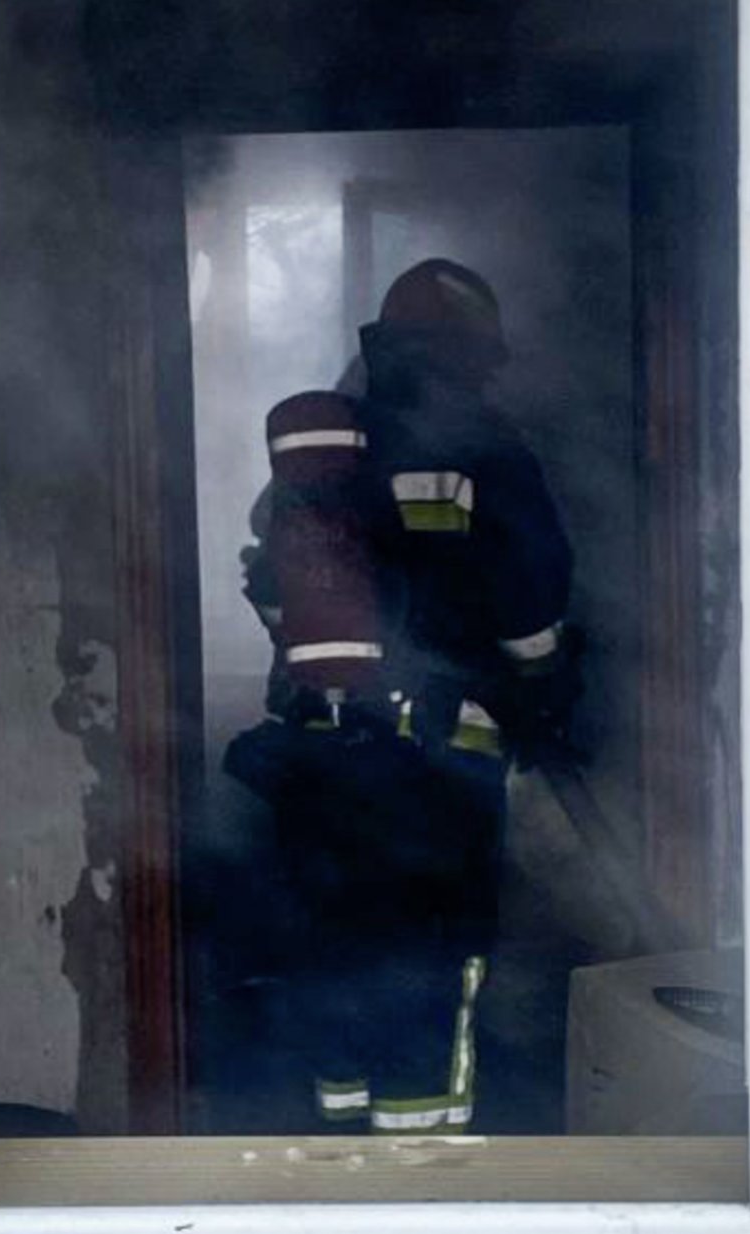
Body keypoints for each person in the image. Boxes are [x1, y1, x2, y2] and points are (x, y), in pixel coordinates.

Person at [225, 258, 577, 1133]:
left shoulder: (327, 457)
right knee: (431, 963)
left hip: (319, 761)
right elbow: (532, 603)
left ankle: (338, 1150)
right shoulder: (488, 448)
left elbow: (271, 586)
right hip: (439, 767)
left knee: (336, 958)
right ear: (476, 354)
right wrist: (542, 692)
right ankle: (424, 1167)